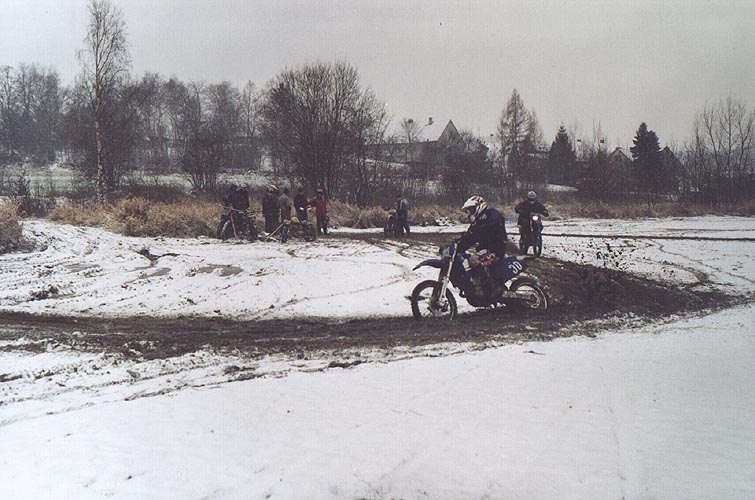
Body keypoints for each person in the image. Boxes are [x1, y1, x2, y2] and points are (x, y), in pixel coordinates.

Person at [457, 195, 508, 294]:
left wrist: (479, 230)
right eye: (468, 211)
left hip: (496, 248)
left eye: (471, 209)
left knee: (473, 260)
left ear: (479, 206)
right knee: (466, 259)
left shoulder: (492, 213)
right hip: (485, 250)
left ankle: (492, 286)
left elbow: (496, 224)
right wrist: (458, 246)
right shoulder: (476, 222)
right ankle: (478, 285)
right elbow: (470, 238)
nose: (470, 213)